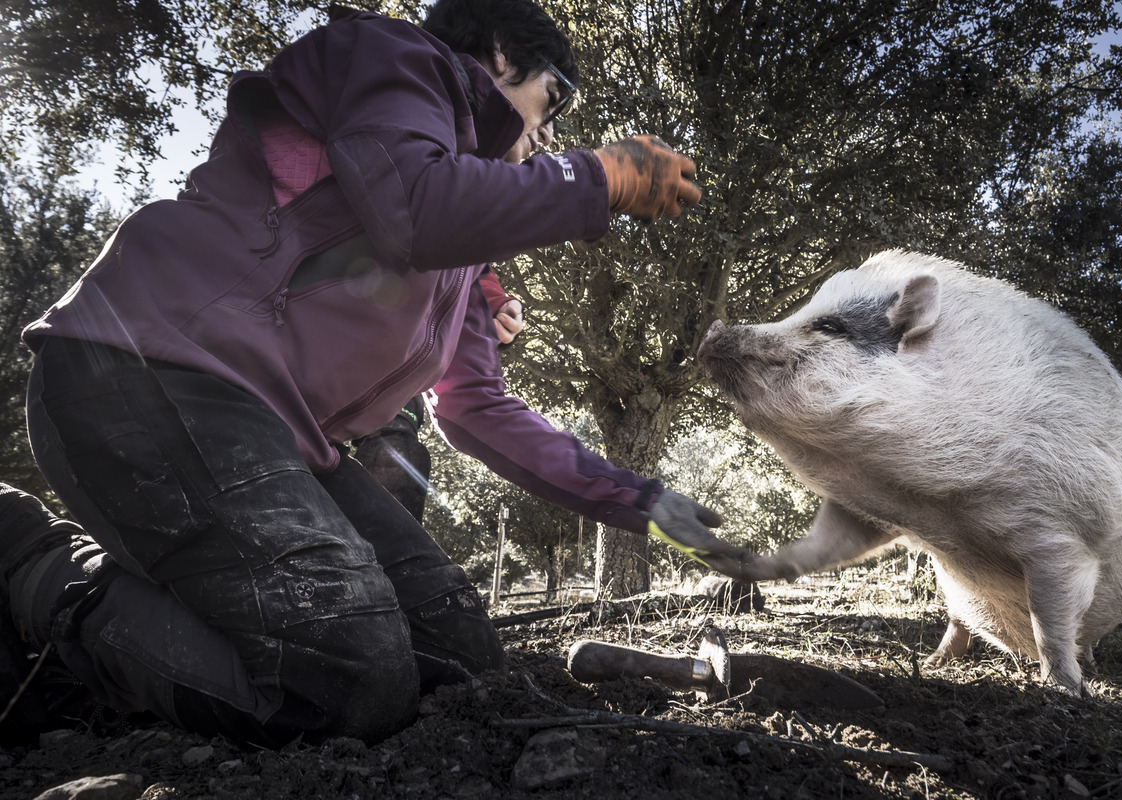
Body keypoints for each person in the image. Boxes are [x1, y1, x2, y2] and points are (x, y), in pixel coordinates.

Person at [0, 0, 742, 747]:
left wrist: (643, 502)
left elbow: (477, 409)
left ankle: (169, 629)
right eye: (552, 100)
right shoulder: (392, 57)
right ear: (498, 55)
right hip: (144, 374)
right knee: (349, 681)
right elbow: (415, 206)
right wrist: (597, 178)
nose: (552, 133)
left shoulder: (467, 261)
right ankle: (40, 565)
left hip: (278, 440)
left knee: (463, 659)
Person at [353, 269, 523, 522]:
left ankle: (395, 556)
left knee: (394, 446)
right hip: (298, 335)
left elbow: (467, 262)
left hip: (392, 352)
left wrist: (496, 304)